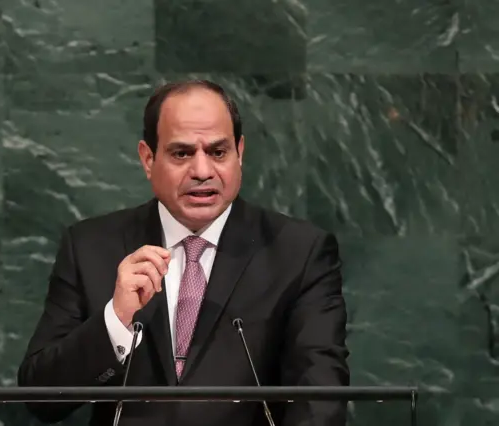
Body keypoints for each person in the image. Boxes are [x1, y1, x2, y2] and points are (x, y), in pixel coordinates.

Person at [17, 79, 350, 426]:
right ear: (148, 159)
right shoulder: (90, 247)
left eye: (218, 152)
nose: (203, 171)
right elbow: (40, 398)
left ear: (240, 153)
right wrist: (116, 321)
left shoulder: (298, 252)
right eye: (182, 153)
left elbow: (320, 395)